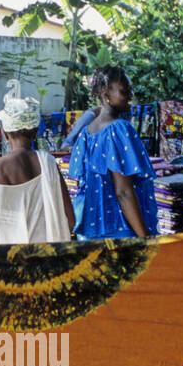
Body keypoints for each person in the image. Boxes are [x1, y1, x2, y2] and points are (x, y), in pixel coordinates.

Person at [0, 92, 74, 245]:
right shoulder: (48, 162)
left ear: (5, 133)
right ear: (36, 133)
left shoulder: (1, 167)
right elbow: (70, 220)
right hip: (47, 257)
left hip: (13, 259)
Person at [66, 66, 159, 240]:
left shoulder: (86, 133)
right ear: (105, 92)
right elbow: (123, 192)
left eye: (130, 91)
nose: (130, 97)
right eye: (124, 92)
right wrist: (146, 238)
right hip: (118, 230)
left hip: (90, 231)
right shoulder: (119, 130)